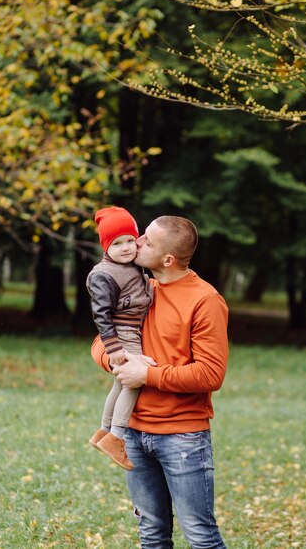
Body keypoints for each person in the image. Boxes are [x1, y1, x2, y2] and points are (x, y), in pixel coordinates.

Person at [91, 215, 229, 548]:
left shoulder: (204, 300)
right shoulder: (137, 287)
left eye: (147, 241)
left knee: (200, 535)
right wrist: (118, 360)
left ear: (167, 259)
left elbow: (211, 373)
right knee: (151, 532)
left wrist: (147, 374)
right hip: (133, 435)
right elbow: (100, 342)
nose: (136, 242)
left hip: (182, 437)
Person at [87, 206, 153, 470]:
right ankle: (116, 436)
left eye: (130, 241)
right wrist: (113, 347)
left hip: (130, 330)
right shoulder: (104, 273)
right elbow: (101, 313)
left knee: (120, 383)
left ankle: (103, 432)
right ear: (106, 247)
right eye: (117, 243)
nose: (126, 248)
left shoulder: (131, 264)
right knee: (134, 383)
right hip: (121, 333)